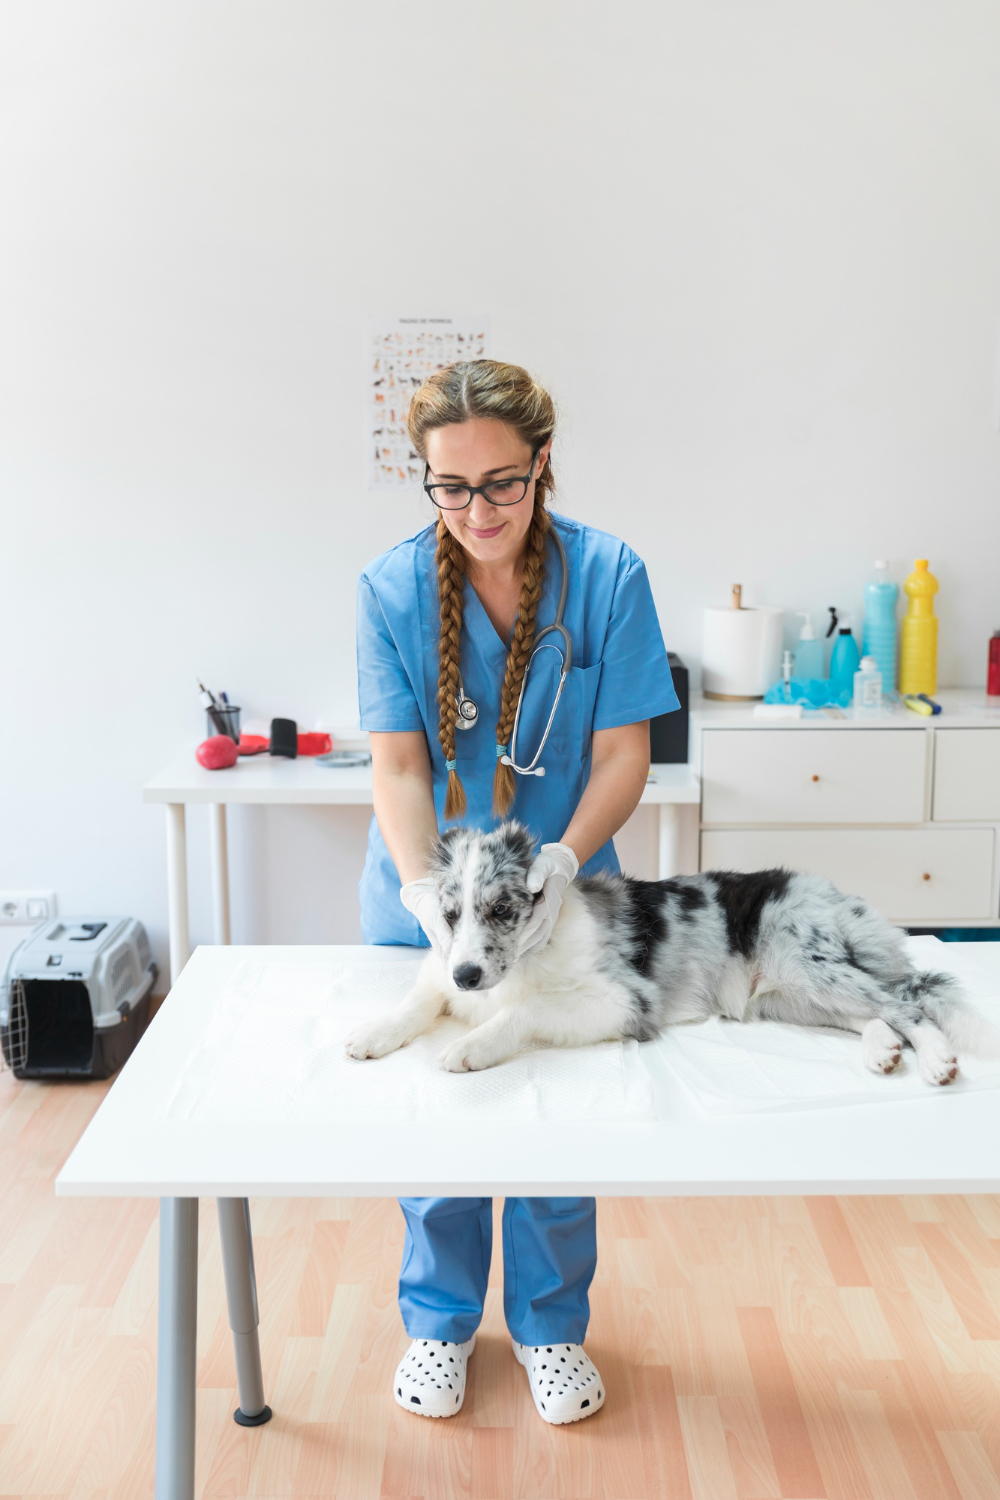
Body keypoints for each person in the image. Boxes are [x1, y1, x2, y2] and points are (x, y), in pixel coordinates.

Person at [356, 359, 678, 1424]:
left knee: (556, 1104)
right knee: (439, 1098)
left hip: (565, 890)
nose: (477, 510)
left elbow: (625, 751)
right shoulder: (391, 588)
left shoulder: (609, 573)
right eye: (451, 489)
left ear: (542, 465)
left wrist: (564, 860)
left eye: (500, 483)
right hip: (429, 898)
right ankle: (439, 1325)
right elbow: (400, 767)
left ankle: (549, 1328)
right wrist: (416, 888)